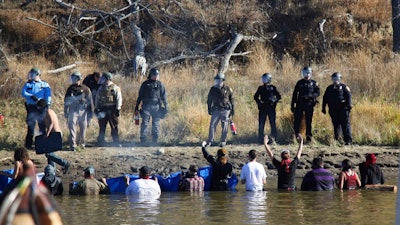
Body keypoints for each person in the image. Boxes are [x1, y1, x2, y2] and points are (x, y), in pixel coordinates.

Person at [134, 68, 168, 145]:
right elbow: (140, 96)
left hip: (156, 107)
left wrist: (166, 106)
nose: (155, 76)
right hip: (146, 107)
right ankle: (143, 140)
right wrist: (136, 106)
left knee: (155, 124)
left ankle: (155, 141)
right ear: (150, 75)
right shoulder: (145, 84)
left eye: (157, 75)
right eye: (154, 75)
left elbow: (164, 97)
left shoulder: (160, 85)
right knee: (145, 123)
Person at [21, 67, 51, 149]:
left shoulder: (45, 84)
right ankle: (28, 145)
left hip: (41, 108)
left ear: (37, 74)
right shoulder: (28, 84)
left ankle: (43, 144)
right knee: (31, 126)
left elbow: (48, 95)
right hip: (31, 108)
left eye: (32, 74)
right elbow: (23, 92)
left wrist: (47, 104)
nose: (30, 75)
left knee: (42, 126)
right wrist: (31, 96)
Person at [37, 99, 70, 174]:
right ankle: (52, 171)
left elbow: (51, 122)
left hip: (55, 134)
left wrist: (48, 133)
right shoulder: (46, 112)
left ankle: (65, 163)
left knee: (49, 154)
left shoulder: (49, 111)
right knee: (49, 154)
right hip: (53, 135)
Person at [64, 71, 94, 150]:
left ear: (78, 78)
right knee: (72, 128)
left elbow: (90, 101)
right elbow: (66, 101)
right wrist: (65, 112)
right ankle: (73, 145)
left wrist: (90, 114)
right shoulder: (70, 89)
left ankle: (82, 144)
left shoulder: (85, 89)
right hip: (72, 110)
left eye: (73, 78)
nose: (72, 80)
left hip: (83, 111)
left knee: (83, 128)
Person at [322, 72, 353, 145]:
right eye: (334, 79)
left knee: (345, 124)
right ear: (332, 79)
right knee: (336, 125)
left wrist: (348, 106)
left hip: (343, 108)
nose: (336, 80)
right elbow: (325, 98)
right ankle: (337, 139)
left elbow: (349, 96)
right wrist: (323, 108)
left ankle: (348, 140)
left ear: (340, 79)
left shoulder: (344, 87)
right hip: (333, 109)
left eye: (337, 79)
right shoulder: (329, 88)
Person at [291, 66, 320, 143]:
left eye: (308, 73)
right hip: (300, 104)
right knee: (297, 121)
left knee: (308, 121)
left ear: (311, 74)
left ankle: (309, 138)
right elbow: (294, 94)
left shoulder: (314, 83)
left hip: (309, 104)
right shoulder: (299, 83)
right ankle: (296, 137)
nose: (306, 75)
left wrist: (310, 96)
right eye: (304, 73)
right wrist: (292, 105)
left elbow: (318, 93)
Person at [206, 73, 234, 147]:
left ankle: (223, 141)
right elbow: (209, 99)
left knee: (224, 126)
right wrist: (209, 108)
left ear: (222, 80)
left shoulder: (228, 88)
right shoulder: (213, 89)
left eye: (219, 80)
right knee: (212, 125)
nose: (217, 81)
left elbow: (232, 99)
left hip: (225, 110)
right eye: (216, 80)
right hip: (216, 110)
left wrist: (232, 110)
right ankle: (210, 141)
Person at [95, 72, 122, 146]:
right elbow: (97, 98)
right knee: (102, 126)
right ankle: (100, 141)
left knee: (114, 126)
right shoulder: (101, 88)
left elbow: (118, 98)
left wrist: (118, 108)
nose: (102, 80)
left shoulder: (115, 88)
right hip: (103, 108)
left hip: (112, 109)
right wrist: (96, 107)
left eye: (104, 78)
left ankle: (116, 141)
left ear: (108, 79)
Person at [254, 73, 281, 144]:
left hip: (271, 108)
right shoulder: (260, 88)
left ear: (269, 79)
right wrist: (259, 102)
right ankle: (260, 139)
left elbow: (279, 96)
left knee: (272, 123)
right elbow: (255, 97)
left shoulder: (273, 88)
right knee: (261, 124)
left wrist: (274, 101)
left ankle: (274, 138)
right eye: (263, 79)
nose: (263, 80)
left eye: (265, 79)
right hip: (263, 108)